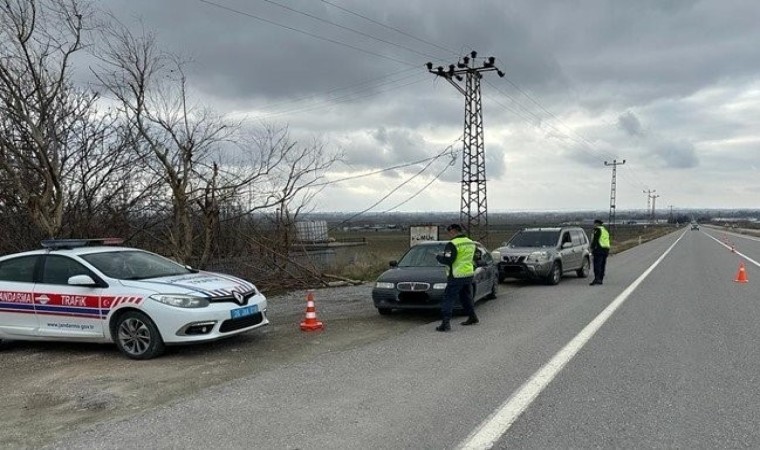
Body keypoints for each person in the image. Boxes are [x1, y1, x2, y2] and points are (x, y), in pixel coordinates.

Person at [434, 223, 479, 331]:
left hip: (456, 275)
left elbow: (449, 260)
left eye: (449, 233)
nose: (448, 235)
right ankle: (472, 317)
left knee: (448, 298)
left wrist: (439, 257)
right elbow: (475, 257)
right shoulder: (470, 242)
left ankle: (445, 323)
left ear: (453, 231)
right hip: (468, 274)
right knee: (466, 297)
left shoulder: (452, 244)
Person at [590, 219, 610, 285]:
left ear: (597, 224)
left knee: (597, 265)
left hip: (599, 249)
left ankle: (597, 279)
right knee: (602, 265)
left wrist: (592, 248)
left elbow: (595, 240)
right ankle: (600, 279)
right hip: (606, 249)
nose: (594, 225)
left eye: (594, 223)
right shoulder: (605, 230)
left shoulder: (597, 230)